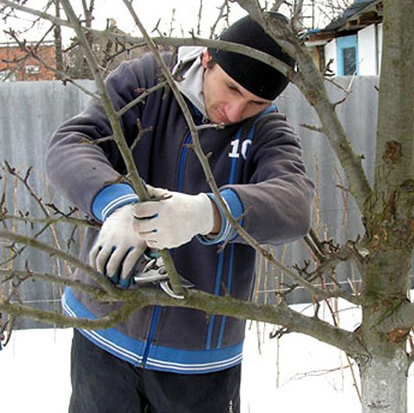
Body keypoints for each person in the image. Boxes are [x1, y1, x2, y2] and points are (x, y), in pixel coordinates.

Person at [46, 12, 314, 413]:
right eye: (231, 88)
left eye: (256, 101)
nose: (236, 110)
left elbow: (295, 201)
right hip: (104, 330)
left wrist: (206, 213)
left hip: (200, 359)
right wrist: (117, 204)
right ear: (207, 59)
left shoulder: (266, 132)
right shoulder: (147, 83)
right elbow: (72, 143)